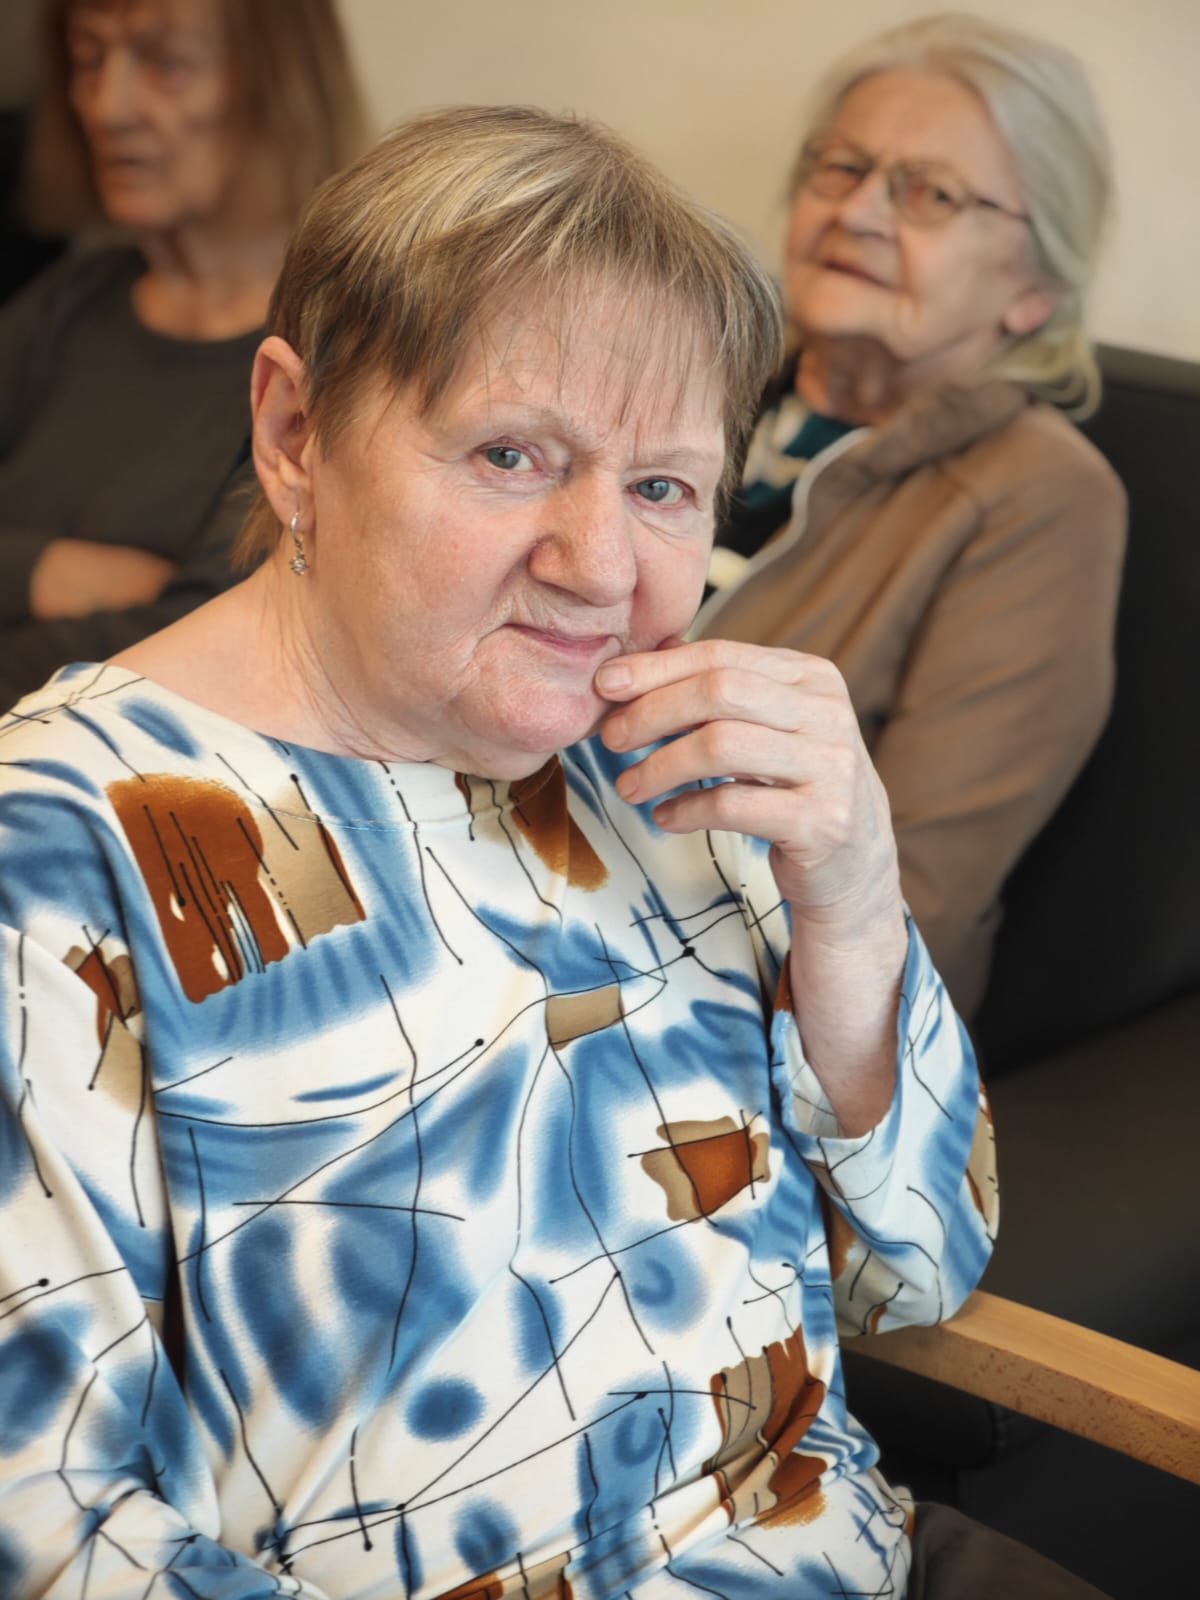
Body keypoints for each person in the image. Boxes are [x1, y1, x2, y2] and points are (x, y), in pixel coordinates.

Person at [0, 107, 1105, 1600]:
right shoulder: (59, 849)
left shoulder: (665, 766)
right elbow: (48, 1532)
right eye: (512, 455)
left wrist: (851, 899)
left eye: (662, 488)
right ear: (295, 433)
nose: (600, 569)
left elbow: (924, 1264)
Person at [695, 13, 1126, 1022]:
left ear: (1033, 290)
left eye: (930, 194)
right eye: (842, 168)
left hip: (754, 1012)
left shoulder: (1042, 497)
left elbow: (914, 893)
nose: (859, 212)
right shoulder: (697, 377)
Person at [0, 0, 367, 712]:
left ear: (277, 85)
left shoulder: (337, 350)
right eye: (87, 59)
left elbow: (207, 646)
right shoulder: (69, 301)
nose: (108, 107)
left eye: (165, 64)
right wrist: (46, 570)